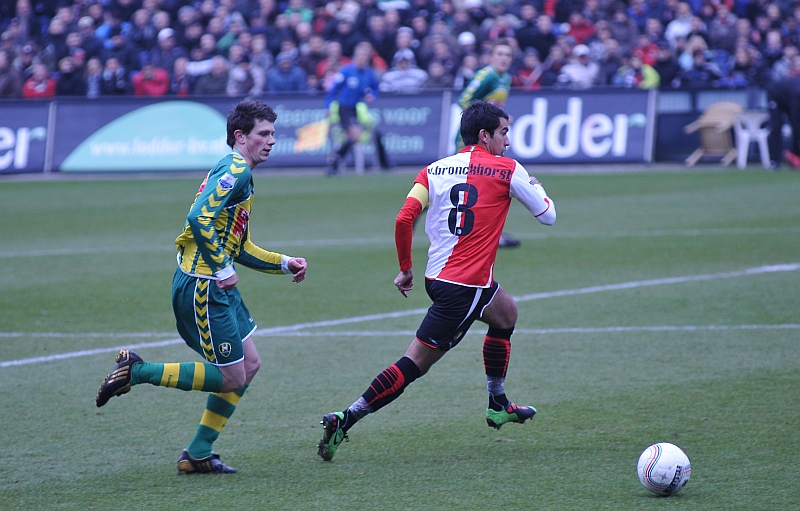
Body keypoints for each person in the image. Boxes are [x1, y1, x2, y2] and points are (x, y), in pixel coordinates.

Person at [317, 101, 556, 462]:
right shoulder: (508, 169)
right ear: (484, 135)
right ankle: (345, 418)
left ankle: (498, 403)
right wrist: (536, 186)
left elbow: (403, 219)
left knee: (505, 313)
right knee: (414, 364)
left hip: (441, 277)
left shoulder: (434, 170)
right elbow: (548, 216)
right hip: (465, 287)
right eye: (504, 133)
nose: (507, 142)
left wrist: (405, 268)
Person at [95, 99, 309, 474]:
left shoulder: (240, 172)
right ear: (240, 137)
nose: (272, 140)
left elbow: (237, 245)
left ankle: (197, 453)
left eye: (274, 133)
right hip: (204, 286)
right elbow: (198, 218)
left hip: (214, 283)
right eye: (264, 133)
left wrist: (283, 263)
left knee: (250, 364)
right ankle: (137, 370)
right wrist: (223, 268)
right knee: (232, 377)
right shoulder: (236, 169)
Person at [455, 38, 519, 248]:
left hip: (491, 140)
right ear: (491, 56)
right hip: (474, 139)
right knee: (466, 185)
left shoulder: (506, 78)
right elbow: (463, 100)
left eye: (507, 55)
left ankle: (490, 233)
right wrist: (487, 117)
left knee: (488, 186)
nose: (503, 58)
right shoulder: (486, 76)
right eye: (499, 54)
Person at [325, 41, 390, 174]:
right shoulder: (346, 71)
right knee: (356, 135)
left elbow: (376, 88)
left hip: (355, 108)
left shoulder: (368, 73)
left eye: (365, 56)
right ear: (355, 57)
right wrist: (327, 106)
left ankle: (334, 161)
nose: (362, 59)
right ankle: (335, 161)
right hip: (344, 108)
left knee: (355, 137)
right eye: (360, 56)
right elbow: (333, 91)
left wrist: (373, 95)